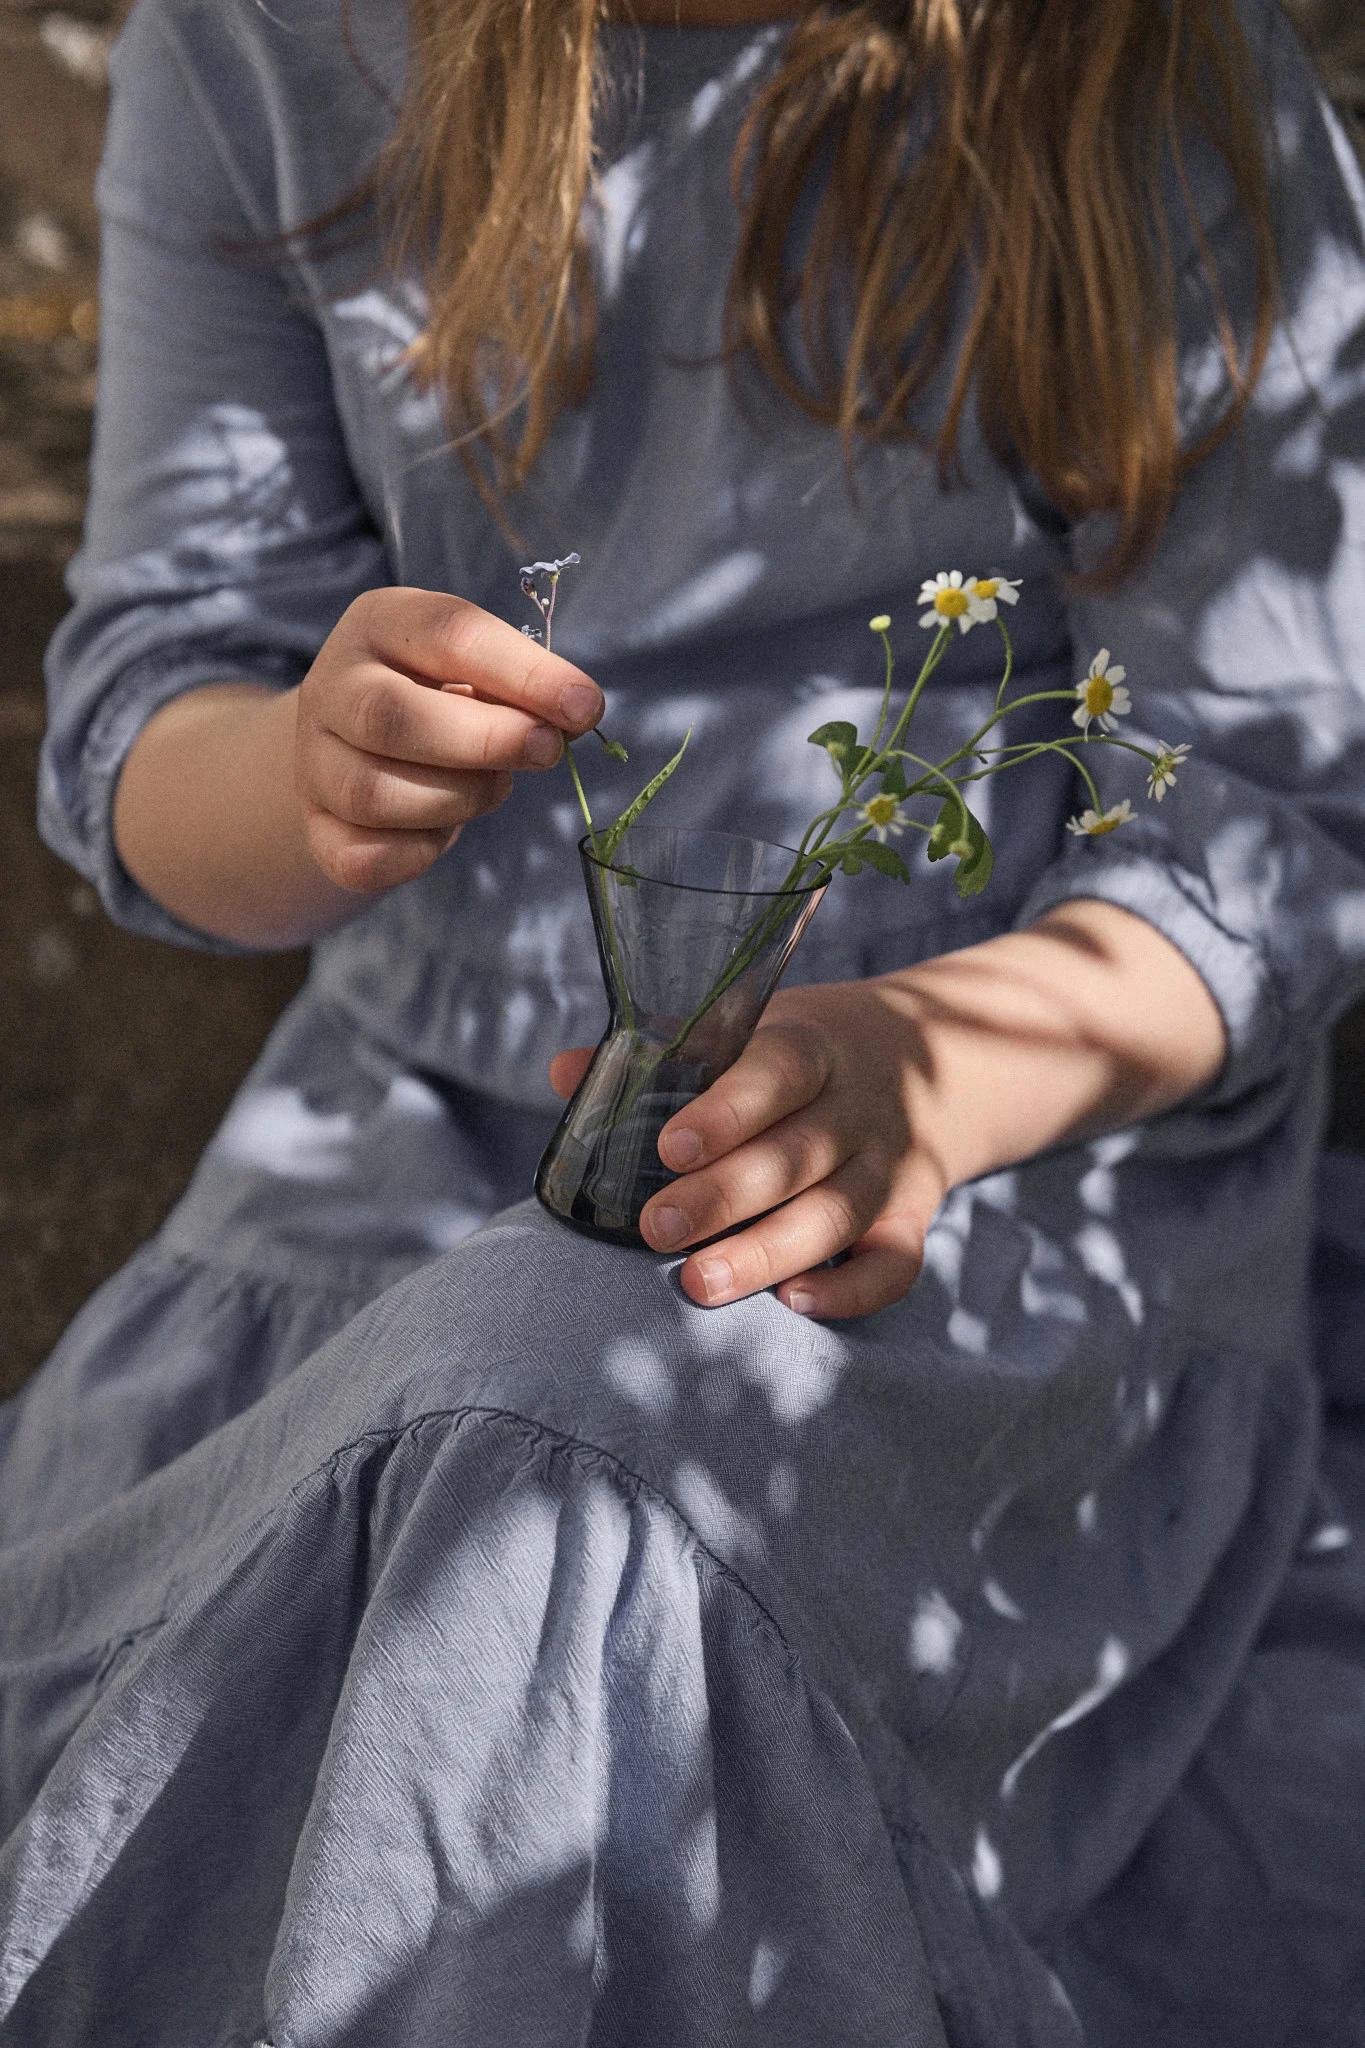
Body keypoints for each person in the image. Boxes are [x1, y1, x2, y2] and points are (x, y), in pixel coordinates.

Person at [2, 0, 1364, 2037]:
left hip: (975, 1155)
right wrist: (295, 771)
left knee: (548, 1462)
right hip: (419, 1136)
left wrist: (937, 1069)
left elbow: (1264, 812)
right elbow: (152, 698)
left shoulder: (1130, 73)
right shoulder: (270, 47)